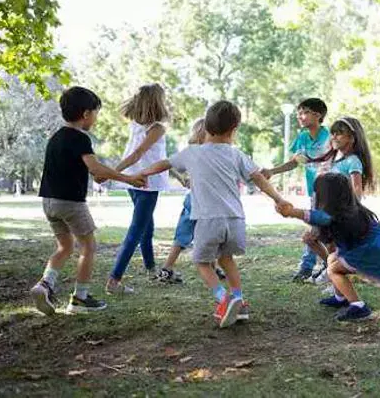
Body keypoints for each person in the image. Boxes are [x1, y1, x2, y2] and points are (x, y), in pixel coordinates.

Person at [141, 100, 291, 328]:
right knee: (226, 259)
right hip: (235, 220)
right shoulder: (236, 154)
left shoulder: (192, 152)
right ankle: (239, 300)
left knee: (202, 262)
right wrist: (279, 199)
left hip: (208, 219)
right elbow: (259, 177)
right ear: (234, 130)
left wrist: (143, 172)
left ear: (206, 128)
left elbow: (164, 163)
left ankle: (224, 299)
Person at [30, 86, 146, 315]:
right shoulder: (80, 138)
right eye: (95, 113)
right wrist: (128, 178)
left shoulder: (55, 137)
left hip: (49, 202)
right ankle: (80, 299)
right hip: (71, 203)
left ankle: (44, 285)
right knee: (89, 246)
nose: (95, 118)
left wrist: (102, 174)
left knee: (64, 247)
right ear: (85, 114)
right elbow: (94, 168)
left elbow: (90, 170)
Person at [276, 173, 380, 321]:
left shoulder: (340, 217)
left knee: (333, 270)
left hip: (374, 253)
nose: (313, 197)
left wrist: (292, 212)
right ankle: (341, 298)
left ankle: (359, 307)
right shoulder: (347, 214)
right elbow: (330, 257)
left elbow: (320, 217)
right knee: (333, 262)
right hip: (377, 250)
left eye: (316, 193)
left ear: (326, 196)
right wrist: (314, 244)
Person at [104, 84, 175, 294]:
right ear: (157, 102)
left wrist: (179, 175)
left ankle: (151, 269)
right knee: (136, 230)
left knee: (147, 226)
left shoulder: (136, 125)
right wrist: (110, 172)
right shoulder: (157, 128)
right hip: (146, 181)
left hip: (134, 180)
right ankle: (114, 280)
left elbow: (160, 157)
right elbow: (138, 154)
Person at [261, 98, 331, 282]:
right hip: (314, 192)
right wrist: (271, 171)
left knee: (317, 229)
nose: (300, 116)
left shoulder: (330, 136)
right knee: (316, 228)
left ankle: (310, 267)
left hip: (332, 192)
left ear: (318, 115)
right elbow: (294, 162)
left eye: (304, 112)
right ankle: (325, 265)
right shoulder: (302, 138)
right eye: (299, 113)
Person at [301, 116, 374, 284]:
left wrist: (351, 213)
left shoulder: (353, 161)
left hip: (340, 214)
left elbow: (357, 189)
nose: (334, 137)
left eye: (339, 134)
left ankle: (335, 277)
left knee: (333, 246)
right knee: (311, 239)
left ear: (352, 138)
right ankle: (331, 269)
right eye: (333, 133)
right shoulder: (336, 160)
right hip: (327, 211)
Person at [154, 118, 227, 284]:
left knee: (183, 235)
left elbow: (170, 164)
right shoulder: (215, 153)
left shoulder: (192, 152)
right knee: (210, 234)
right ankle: (211, 267)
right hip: (204, 201)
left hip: (193, 199)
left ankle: (167, 268)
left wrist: (186, 179)